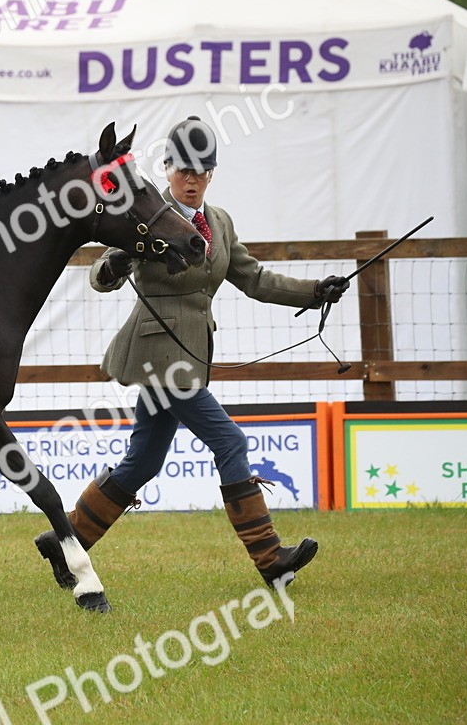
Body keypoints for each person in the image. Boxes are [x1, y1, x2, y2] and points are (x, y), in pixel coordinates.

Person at [34, 116, 350, 590]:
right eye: (183, 169)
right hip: (157, 354)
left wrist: (314, 291)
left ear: (212, 174)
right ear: (167, 169)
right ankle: (270, 558)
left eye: (201, 171)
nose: (191, 178)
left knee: (143, 462)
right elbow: (101, 275)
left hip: (192, 354)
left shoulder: (219, 223)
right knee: (231, 442)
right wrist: (116, 264)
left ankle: (68, 540)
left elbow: (256, 279)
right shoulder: (149, 211)